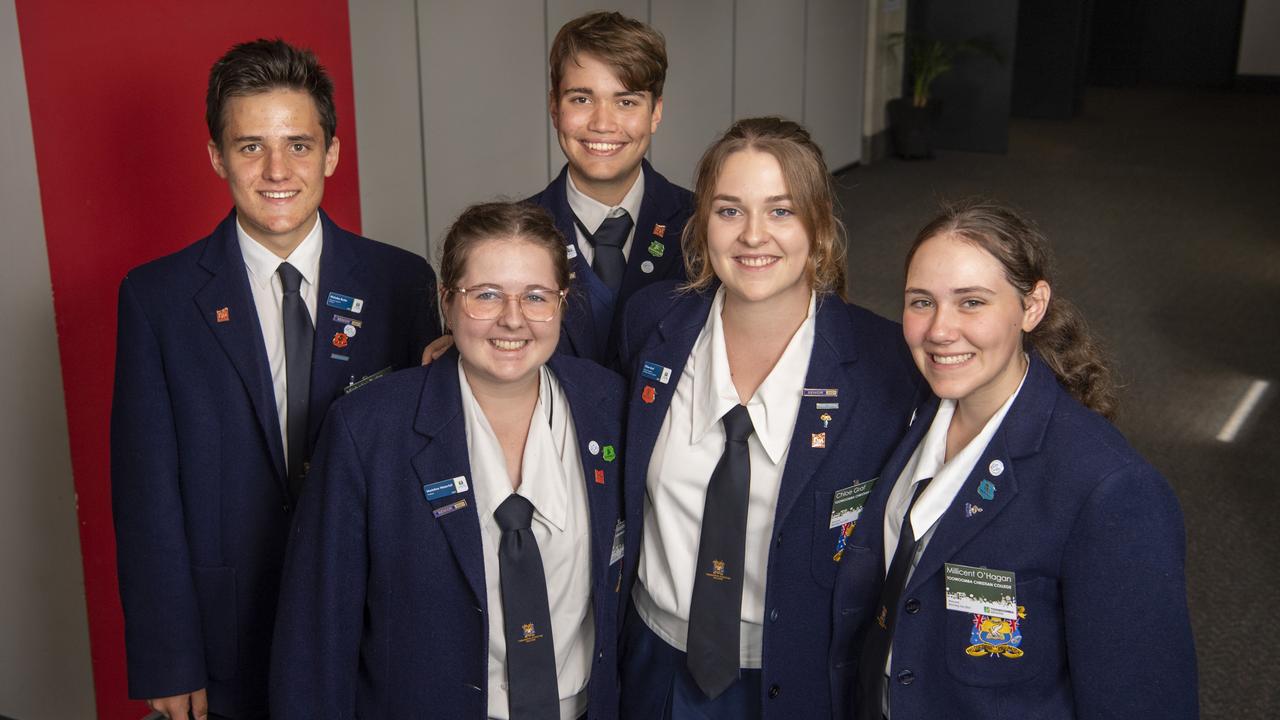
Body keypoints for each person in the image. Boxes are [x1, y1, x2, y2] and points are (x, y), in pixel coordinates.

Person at [110, 39, 440, 719]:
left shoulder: (402, 284)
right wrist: (170, 657)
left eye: (298, 143)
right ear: (216, 156)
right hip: (227, 637)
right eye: (250, 146)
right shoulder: (157, 299)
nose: (276, 169)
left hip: (371, 624)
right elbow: (146, 497)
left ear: (332, 153)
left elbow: (422, 469)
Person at [830, 200, 1198, 719]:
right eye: (921, 302)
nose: (939, 330)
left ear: (1033, 306)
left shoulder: (1110, 490)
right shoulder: (906, 415)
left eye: (972, 302)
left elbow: (1144, 703)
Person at [270, 202, 627, 720]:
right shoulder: (368, 429)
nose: (513, 318)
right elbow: (317, 630)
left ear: (562, 303)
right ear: (446, 301)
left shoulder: (609, 405)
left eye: (535, 296)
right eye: (485, 295)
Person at [615, 117, 921, 719]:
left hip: (801, 675)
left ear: (821, 228)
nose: (754, 235)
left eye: (781, 211)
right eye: (730, 211)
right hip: (653, 661)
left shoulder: (886, 363)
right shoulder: (651, 325)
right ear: (703, 225)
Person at [422, 11, 692, 369]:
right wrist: (466, 350)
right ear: (554, 108)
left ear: (655, 112)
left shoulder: (705, 227)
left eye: (626, 101)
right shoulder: (503, 239)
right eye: (581, 99)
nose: (602, 123)